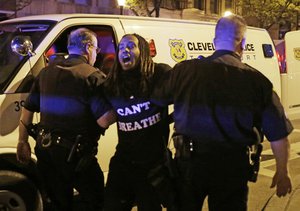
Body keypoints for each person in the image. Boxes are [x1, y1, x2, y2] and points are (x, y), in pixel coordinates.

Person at [151, 14, 293, 211]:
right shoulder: (257, 81)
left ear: (214, 41)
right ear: (242, 43)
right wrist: (282, 171)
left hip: (189, 165)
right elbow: (278, 134)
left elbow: (156, 100)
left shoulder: (184, 71)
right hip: (232, 168)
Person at [16, 27, 116, 211]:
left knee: (58, 204)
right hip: (75, 156)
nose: (96, 54)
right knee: (95, 200)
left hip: (45, 151)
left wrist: (22, 141)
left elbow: (27, 111)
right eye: (96, 49)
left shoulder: (46, 73)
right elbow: (106, 118)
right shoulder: (91, 76)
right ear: (88, 47)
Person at [103, 33, 176, 211]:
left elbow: (184, 98)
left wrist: (169, 120)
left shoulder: (159, 73)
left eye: (130, 46)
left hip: (153, 164)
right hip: (124, 161)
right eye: (121, 47)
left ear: (142, 50)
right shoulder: (112, 83)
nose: (124, 50)